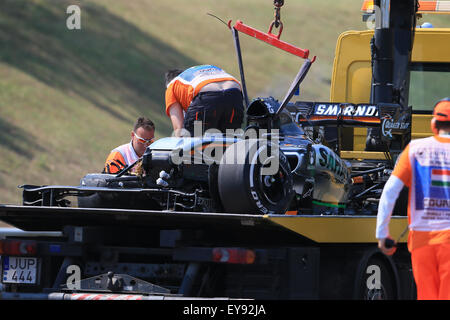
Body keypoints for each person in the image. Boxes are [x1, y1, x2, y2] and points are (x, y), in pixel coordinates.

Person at [376, 97, 450, 300]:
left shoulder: (415, 149)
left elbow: (390, 192)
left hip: (421, 239)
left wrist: (382, 233)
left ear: (434, 124)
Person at [165, 65, 244, 136]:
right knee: (230, 140)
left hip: (206, 96)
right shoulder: (197, 72)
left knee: (193, 142)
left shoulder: (171, 86)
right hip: (235, 92)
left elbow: (179, 129)